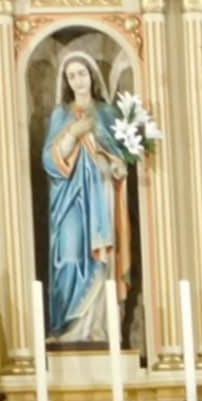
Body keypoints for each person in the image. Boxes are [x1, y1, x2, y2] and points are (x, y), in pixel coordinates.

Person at [42, 51, 134, 341]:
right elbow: (48, 160)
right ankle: (70, 329)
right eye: (71, 76)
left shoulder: (107, 113)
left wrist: (118, 164)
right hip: (70, 199)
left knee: (103, 258)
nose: (77, 81)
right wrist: (72, 134)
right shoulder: (61, 114)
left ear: (92, 76)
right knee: (69, 257)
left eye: (81, 73)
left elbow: (119, 154)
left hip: (102, 194)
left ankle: (99, 328)